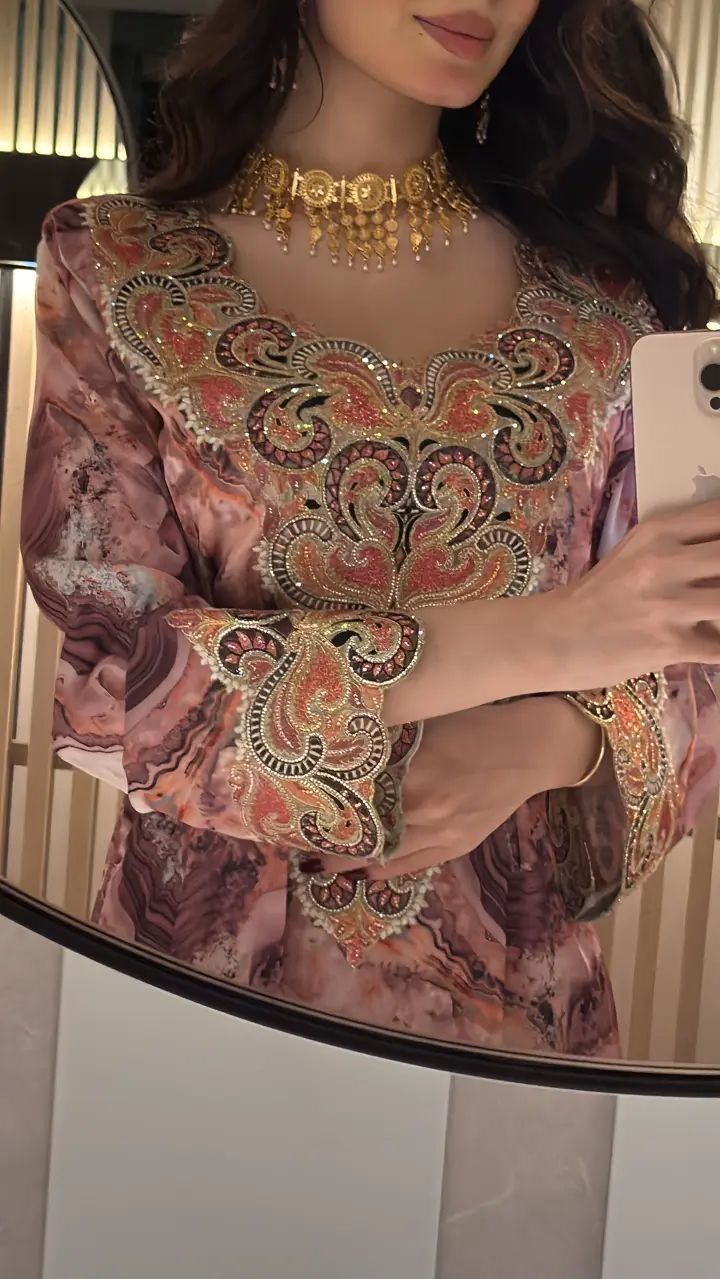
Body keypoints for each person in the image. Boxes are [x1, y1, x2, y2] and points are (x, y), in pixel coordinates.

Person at [21, 0, 720, 1057]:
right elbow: (114, 684)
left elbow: (695, 664)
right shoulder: (117, 269)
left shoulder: (609, 306)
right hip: (193, 1004)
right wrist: (551, 639)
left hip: (513, 1019)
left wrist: (560, 739)